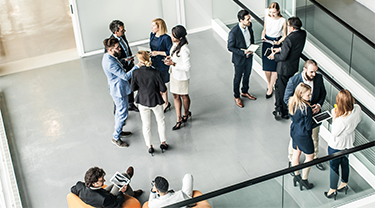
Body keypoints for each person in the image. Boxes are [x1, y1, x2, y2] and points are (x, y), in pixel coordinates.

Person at [284, 60, 327, 171]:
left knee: (315, 137)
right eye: (311, 72)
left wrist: (318, 105)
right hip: (300, 117)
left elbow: (323, 93)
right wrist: (302, 109)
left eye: (315, 72)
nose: (314, 74)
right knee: (296, 139)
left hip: (314, 114)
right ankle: (291, 160)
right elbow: (287, 99)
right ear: (305, 69)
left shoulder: (318, 78)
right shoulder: (294, 81)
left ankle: (314, 158)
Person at [102, 37, 140, 147]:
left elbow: (116, 62)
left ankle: (119, 131)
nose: (120, 49)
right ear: (110, 49)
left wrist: (124, 61)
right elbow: (125, 76)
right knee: (122, 113)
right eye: (117, 48)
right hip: (119, 90)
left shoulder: (108, 56)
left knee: (120, 111)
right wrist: (136, 67)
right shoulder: (110, 63)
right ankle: (116, 137)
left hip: (116, 88)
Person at [324, 90, 361, 200]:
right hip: (349, 144)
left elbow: (334, 133)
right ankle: (344, 184)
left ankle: (332, 190)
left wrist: (334, 117)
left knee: (334, 168)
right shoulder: (357, 109)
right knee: (345, 163)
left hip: (336, 146)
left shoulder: (341, 120)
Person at [131, 51, 168, 156]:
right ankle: (163, 142)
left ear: (140, 60)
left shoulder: (136, 73)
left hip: (142, 101)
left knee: (146, 125)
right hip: (155, 100)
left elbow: (133, 88)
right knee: (160, 121)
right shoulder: (156, 72)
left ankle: (150, 146)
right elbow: (163, 88)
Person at [268, 16, 306, 120]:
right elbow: (292, 49)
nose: (288, 27)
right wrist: (281, 49)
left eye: (289, 26)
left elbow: (283, 57)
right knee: (286, 87)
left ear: (292, 28)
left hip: (284, 68)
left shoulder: (289, 38)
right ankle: (282, 108)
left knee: (281, 89)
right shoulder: (302, 34)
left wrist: (274, 56)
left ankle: (282, 110)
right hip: (293, 66)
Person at [71, 166, 143, 208]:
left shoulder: (79, 185)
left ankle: (126, 177)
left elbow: (72, 190)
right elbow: (117, 205)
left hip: (99, 193)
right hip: (108, 198)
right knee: (123, 180)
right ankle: (131, 191)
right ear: (94, 183)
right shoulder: (105, 199)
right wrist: (121, 192)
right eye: (102, 180)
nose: (104, 180)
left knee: (120, 181)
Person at [164, 25, 191, 130]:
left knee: (184, 96)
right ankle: (178, 118)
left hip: (181, 77)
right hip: (174, 74)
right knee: (175, 95)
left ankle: (186, 113)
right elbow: (174, 56)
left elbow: (187, 67)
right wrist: (170, 58)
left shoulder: (184, 49)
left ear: (180, 38)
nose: (171, 37)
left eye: (173, 35)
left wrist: (173, 63)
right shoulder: (175, 45)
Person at [228, 9, 257, 108]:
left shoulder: (249, 26)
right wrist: (243, 52)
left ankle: (244, 91)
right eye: (248, 19)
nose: (250, 21)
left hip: (249, 56)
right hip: (239, 59)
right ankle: (237, 96)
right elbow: (230, 47)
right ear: (241, 20)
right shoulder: (234, 32)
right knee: (238, 77)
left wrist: (252, 47)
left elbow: (251, 38)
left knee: (247, 75)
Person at [108, 20, 139, 112]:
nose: (124, 31)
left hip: (129, 65)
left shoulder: (123, 36)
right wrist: (124, 60)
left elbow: (126, 48)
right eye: (122, 30)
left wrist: (130, 59)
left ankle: (131, 104)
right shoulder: (111, 43)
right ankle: (118, 111)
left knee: (131, 85)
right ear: (116, 32)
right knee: (120, 91)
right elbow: (112, 60)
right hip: (121, 69)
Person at [288, 83, 314, 190]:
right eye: (308, 95)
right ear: (301, 94)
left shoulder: (292, 102)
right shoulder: (306, 108)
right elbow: (308, 127)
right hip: (304, 135)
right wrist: (317, 121)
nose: (310, 96)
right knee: (310, 157)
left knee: (296, 153)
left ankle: (296, 175)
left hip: (295, 132)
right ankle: (304, 180)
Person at [261, 2, 287, 99]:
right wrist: (263, 35)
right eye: (270, 12)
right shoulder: (267, 18)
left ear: (278, 11)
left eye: (274, 12)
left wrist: (278, 42)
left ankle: (270, 88)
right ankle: (269, 84)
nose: (272, 14)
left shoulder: (283, 20)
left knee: (274, 68)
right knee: (266, 67)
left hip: (276, 42)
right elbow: (264, 29)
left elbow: (284, 35)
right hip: (267, 42)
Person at [150, 18, 173, 112]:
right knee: (157, 83)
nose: (151, 27)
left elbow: (170, 52)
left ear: (159, 27)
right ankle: (162, 101)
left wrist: (158, 53)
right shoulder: (152, 35)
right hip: (154, 62)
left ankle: (166, 103)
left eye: (153, 26)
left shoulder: (166, 38)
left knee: (162, 83)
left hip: (162, 64)